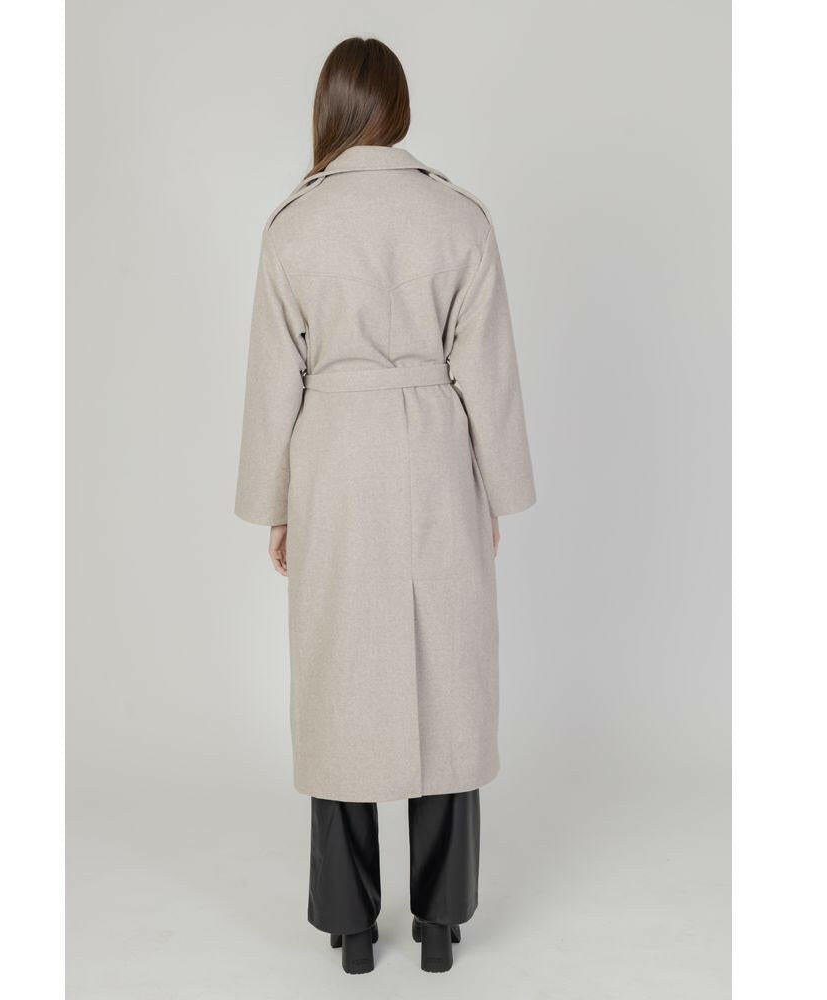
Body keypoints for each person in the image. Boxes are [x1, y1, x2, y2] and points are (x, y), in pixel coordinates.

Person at [235, 36, 536, 975]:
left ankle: (352, 927)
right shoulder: (459, 216)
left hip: (333, 456)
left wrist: (276, 504)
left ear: (330, 108)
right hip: (437, 452)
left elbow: (273, 380)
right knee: (448, 677)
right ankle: (441, 924)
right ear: (398, 107)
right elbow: (487, 371)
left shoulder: (294, 227)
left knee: (339, 679)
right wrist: (497, 488)